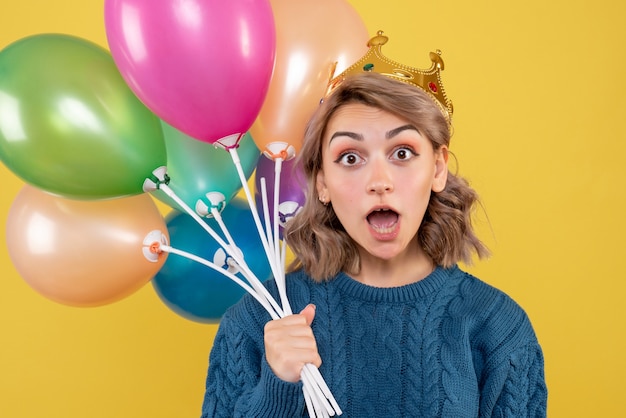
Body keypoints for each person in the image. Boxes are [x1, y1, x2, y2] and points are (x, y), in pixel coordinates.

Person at [201, 33, 547, 417]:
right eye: (350, 157)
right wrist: (278, 387)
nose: (378, 181)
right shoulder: (257, 321)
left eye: (402, 153)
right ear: (322, 183)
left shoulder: (498, 329)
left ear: (437, 168)